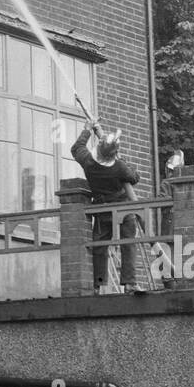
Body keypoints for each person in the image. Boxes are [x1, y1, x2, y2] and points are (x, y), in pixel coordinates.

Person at [71, 122, 142, 292]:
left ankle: (99, 285)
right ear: (114, 154)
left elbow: (76, 148)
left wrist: (87, 129)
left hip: (101, 210)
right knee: (128, 244)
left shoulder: (88, 162)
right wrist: (122, 160)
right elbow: (135, 177)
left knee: (100, 248)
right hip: (123, 210)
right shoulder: (119, 167)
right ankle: (130, 283)